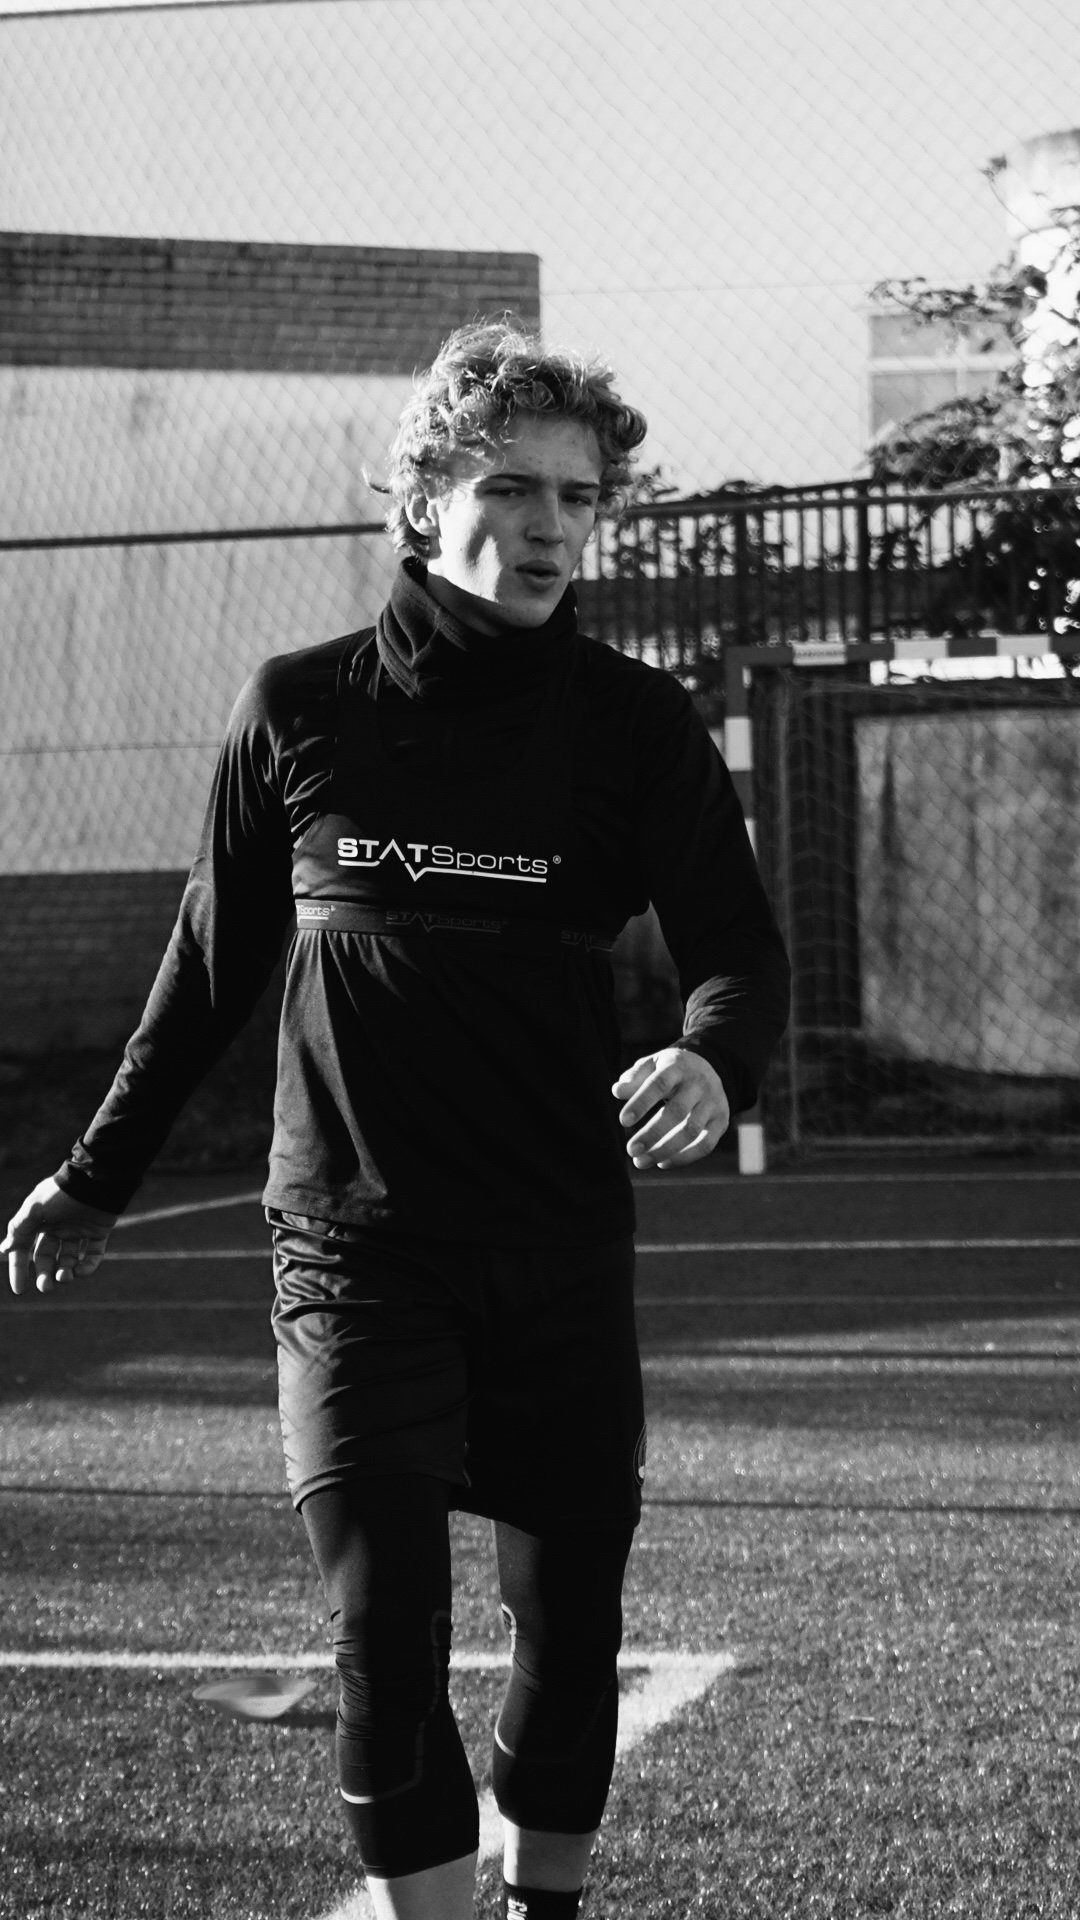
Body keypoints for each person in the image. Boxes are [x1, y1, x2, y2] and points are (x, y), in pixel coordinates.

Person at [2, 322, 790, 1920]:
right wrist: (98, 1175)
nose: (556, 524)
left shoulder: (635, 727)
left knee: (569, 1640)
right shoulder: (301, 708)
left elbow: (738, 947)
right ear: (423, 498)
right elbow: (211, 967)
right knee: (385, 1635)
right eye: (514, 484)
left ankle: (545, 1901)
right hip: (353, 1247)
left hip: (561, 1244)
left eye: (583, 494)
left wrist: (715, 1059)